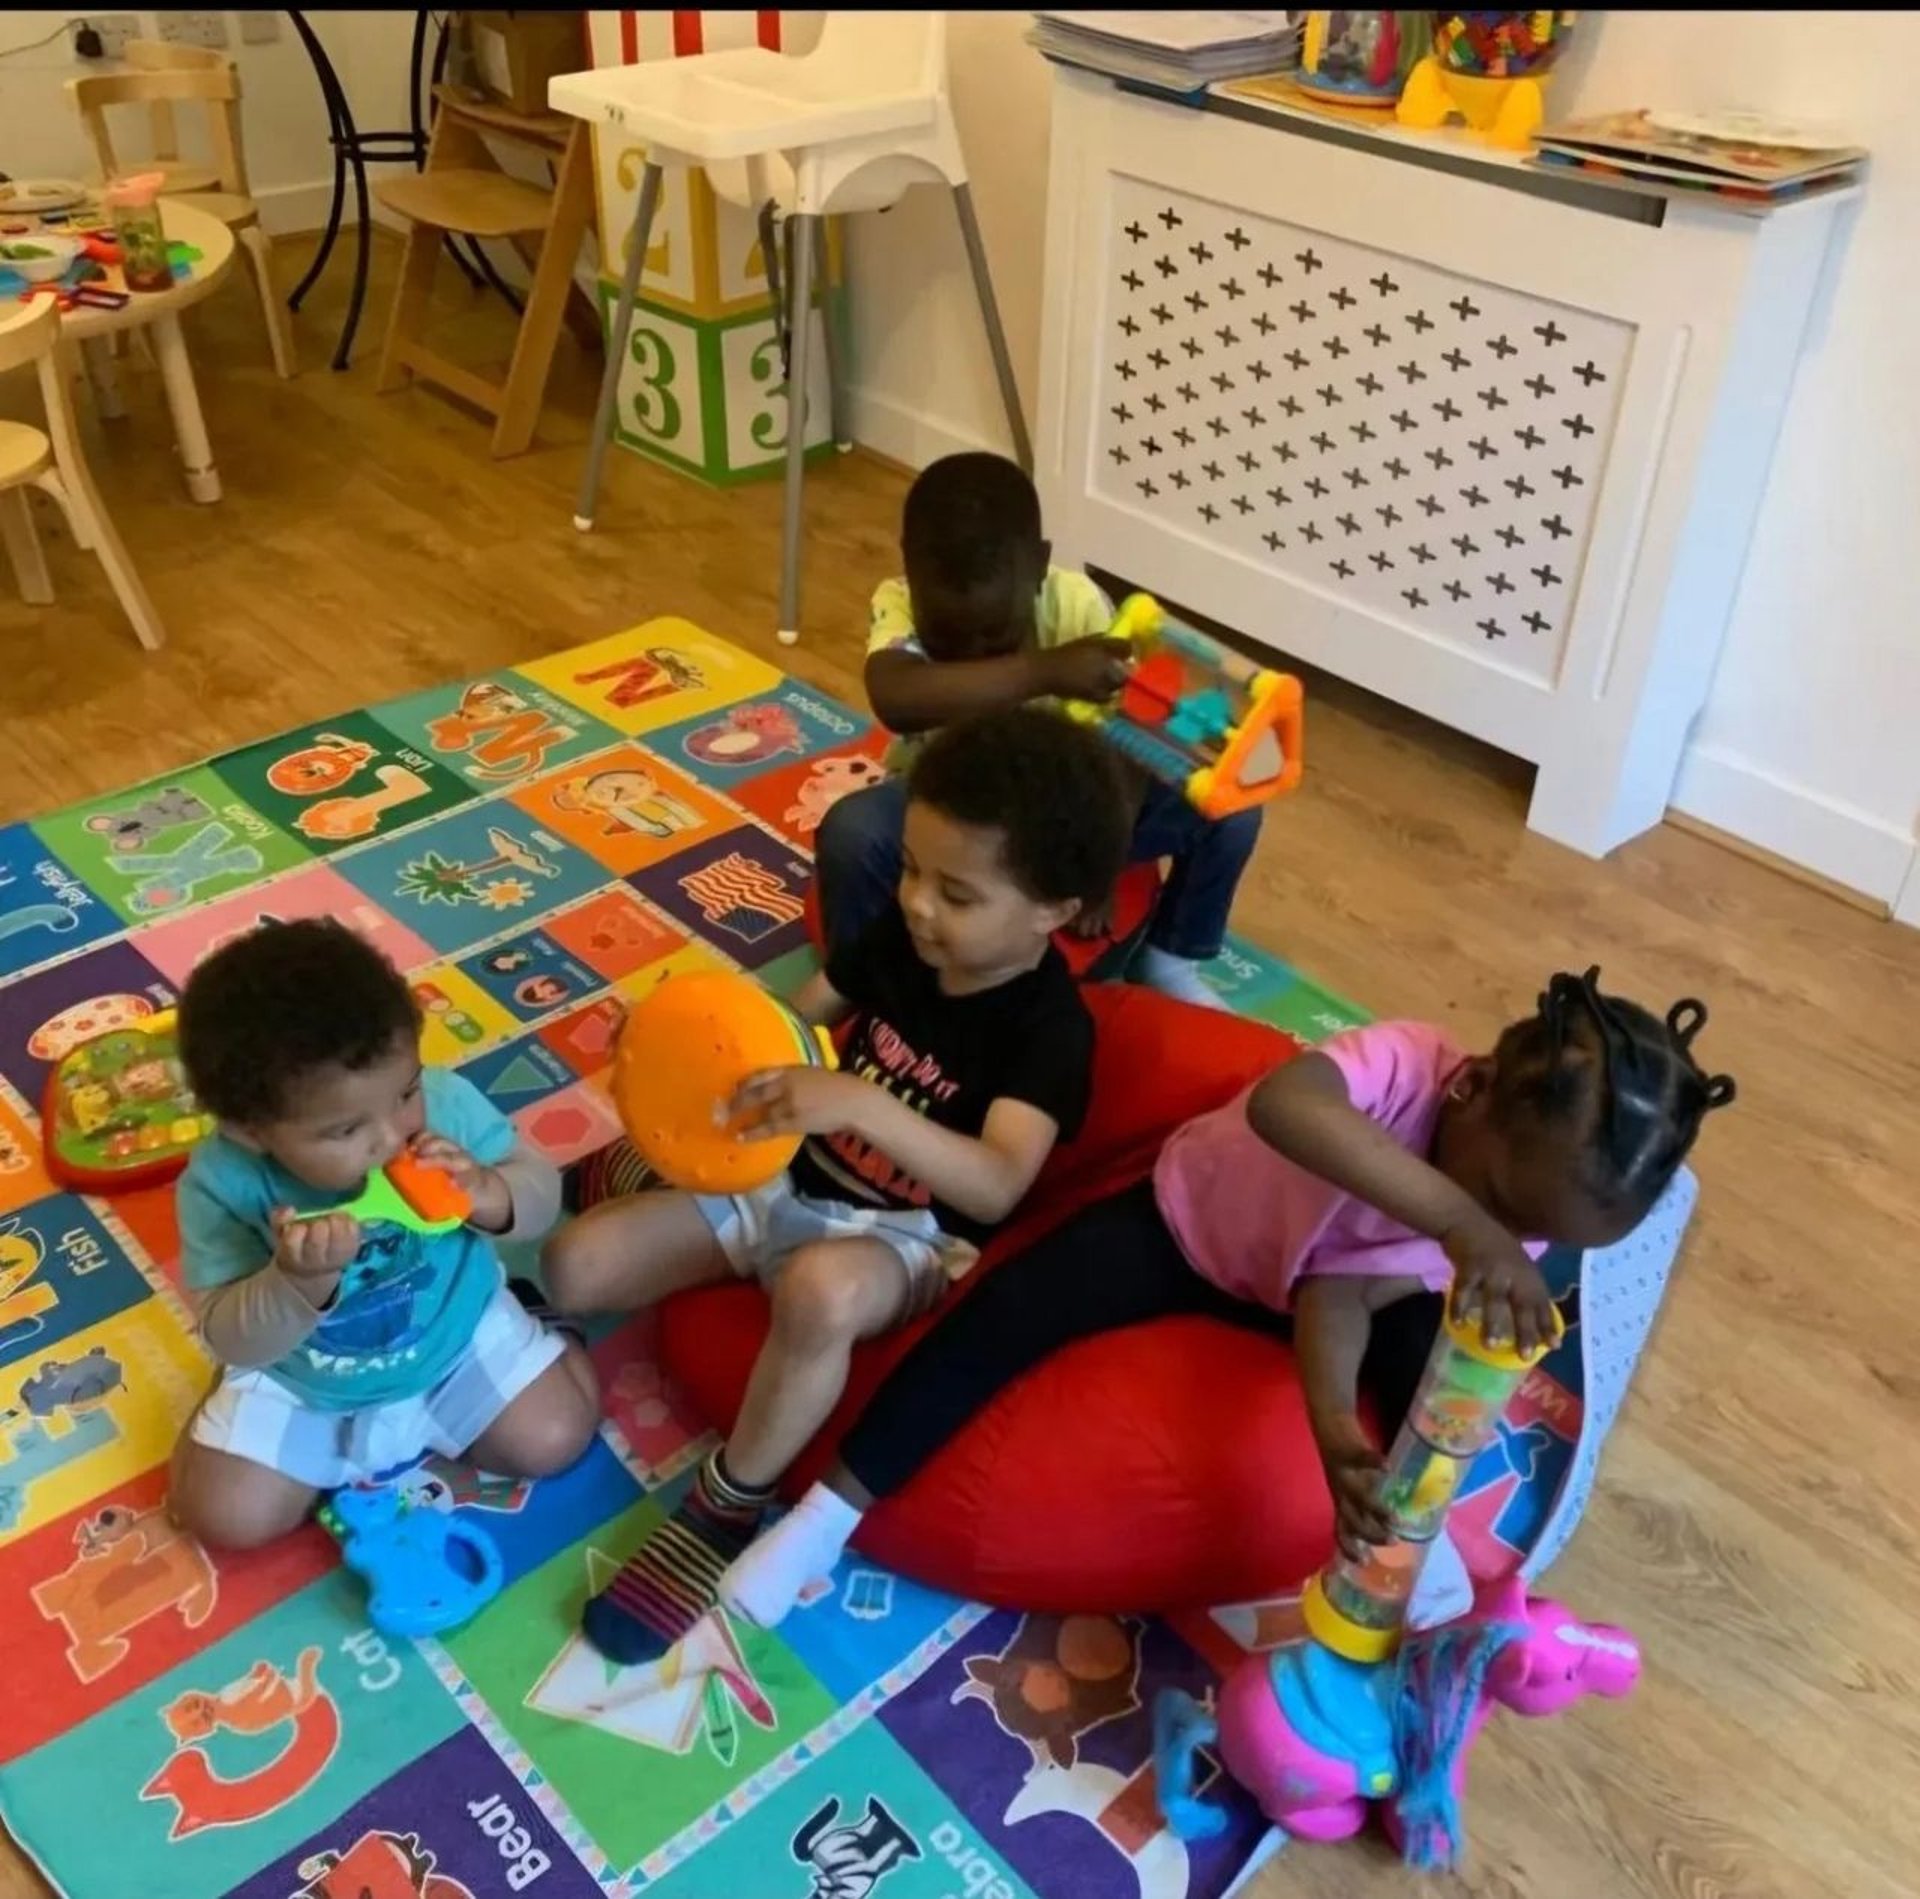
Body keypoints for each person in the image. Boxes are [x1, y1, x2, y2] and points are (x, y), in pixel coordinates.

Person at [719, 967, 1737, 1627]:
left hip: (1322, 1286)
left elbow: (1343, 1291)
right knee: (1008, 1310)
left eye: (1539, 1235)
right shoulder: (1407, 1066)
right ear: (1470, 1085)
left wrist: (1335, 1432)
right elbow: (1289, 1104)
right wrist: (1467, 1226)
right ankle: (827, 1514)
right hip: (1191, 1226)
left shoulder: (1515, 1216)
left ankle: (1416, 1542)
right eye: (1508, 1210)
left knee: (1433, 1367)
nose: (1518, 1241)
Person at [544, 706, 1129, 1664]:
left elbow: (994, 1185)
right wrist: (674, 1048)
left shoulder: (1050, 1031)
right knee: (572, 1265)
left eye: (957, 892)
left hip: (897, 1239)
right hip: (779, 1180)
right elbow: (779, 1029)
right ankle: (643, 1170)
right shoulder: (904, 940)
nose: (919, 905)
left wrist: (862, 1103)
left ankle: (727, 1504)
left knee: (818, 1292)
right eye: (910, 870)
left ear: (1054, 911)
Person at [168, 919, 600, 1552]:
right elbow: (227, 1333)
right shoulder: (223, 1182)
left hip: (454, 1336)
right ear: (250, 1131)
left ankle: (545, 1333)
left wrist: (488, 1191)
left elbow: (540, 1197)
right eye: (346, 1131)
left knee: (556, 1438)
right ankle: (228, 1423)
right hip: (303, 1379)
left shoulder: (445, 1107)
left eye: (406, 1092)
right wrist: (294, 1283)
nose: (393, 1136)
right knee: (221, 1517)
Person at [815, 451, 1260, 1011]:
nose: (975, 650)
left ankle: (1170, 956)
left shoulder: (1078, 605)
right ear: (907, 564)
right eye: (949, 638)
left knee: (1232, 804)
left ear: (1041, 565)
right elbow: (895, 698)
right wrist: (1042, 670)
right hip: (947, 813)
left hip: (1063, 814)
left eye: (995, 633)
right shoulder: (898, 601)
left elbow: (1127, 745)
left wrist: (1101, 864)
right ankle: (863, 987)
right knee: (853, 832)